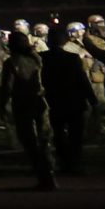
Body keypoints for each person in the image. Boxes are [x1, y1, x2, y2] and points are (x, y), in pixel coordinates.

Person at [0, 34, 56, 187]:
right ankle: (49, 171)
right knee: (44, 139)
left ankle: (43, 175)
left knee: (29, 140)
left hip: (23, 103)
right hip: (41, 101)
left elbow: (7, 86)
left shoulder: (12, 62)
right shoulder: (38, 59)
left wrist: (2, 104)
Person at [41, 24, 94, 173]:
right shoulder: (72, 57)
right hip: (73, 100)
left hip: (53, 100)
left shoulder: (42, 57)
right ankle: (74, 163)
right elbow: (82, 79)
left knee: (58, 133)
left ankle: (64, 161)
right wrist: (91, 97)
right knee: (75, 134)